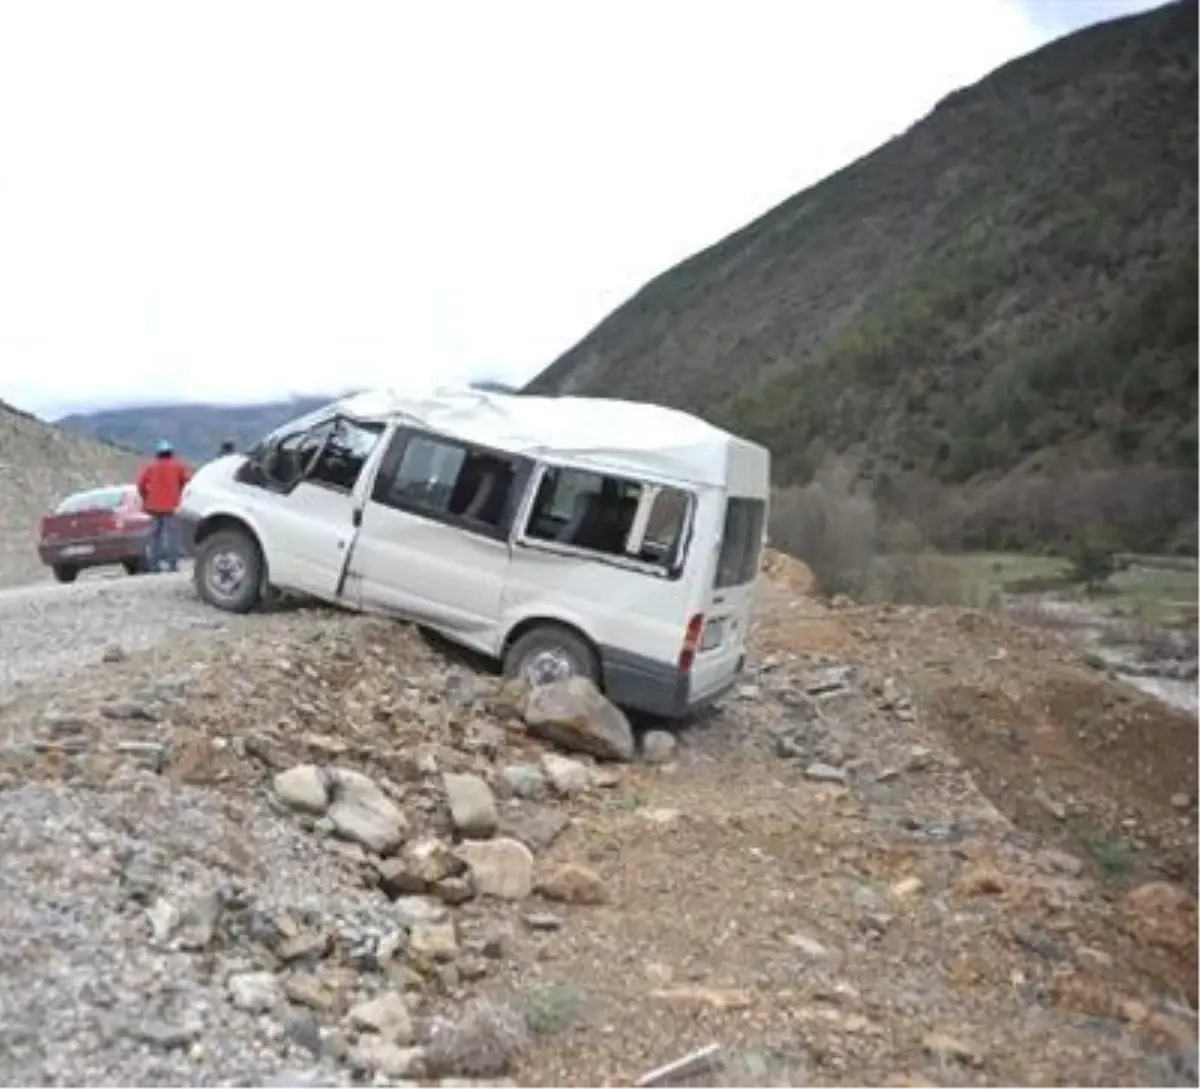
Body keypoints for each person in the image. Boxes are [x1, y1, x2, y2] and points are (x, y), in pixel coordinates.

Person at [136, 439, 193, 573]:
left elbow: (140, 485)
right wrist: (181, 496)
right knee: (172, 536)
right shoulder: (178, 466)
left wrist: (146, 498)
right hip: (172, 507)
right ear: (170, 452)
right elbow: (187, 483)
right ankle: (172, 564)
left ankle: (154, 566)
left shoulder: (150, 467)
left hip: (154, 507)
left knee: (155, 537)